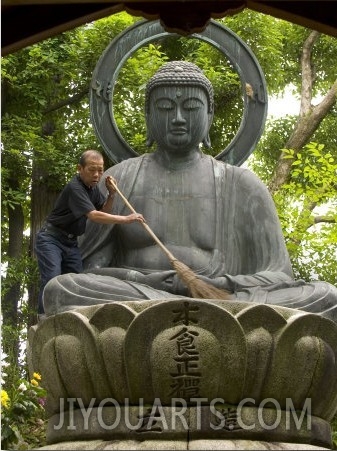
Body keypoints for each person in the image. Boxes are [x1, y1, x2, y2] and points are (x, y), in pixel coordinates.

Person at [42, 62, 337, 322]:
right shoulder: (118, 179)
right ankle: (180, 310)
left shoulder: (241, 184)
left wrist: (216, 283)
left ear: (208, 113)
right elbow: (87, 269)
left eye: (192, 107)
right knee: (63, 289)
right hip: (135, 297)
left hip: (221, 298)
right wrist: (161, 282)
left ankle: (192, 311)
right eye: (166, 108)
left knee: (324, 296)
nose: (179, 118)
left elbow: (279, 275)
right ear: (148, 113)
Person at [34, 149, 145, 319]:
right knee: (52, 278)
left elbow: (103, 210)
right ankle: (44, 318)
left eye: (100, 170)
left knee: (76, 282)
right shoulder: (75, 188)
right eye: (92, 169)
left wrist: (112, 194)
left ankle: (69, 316)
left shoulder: (92, 189)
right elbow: (94, 216)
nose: (97, 174)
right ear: (80, 168)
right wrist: (126, 218)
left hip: (70, 243)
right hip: (51, 239)